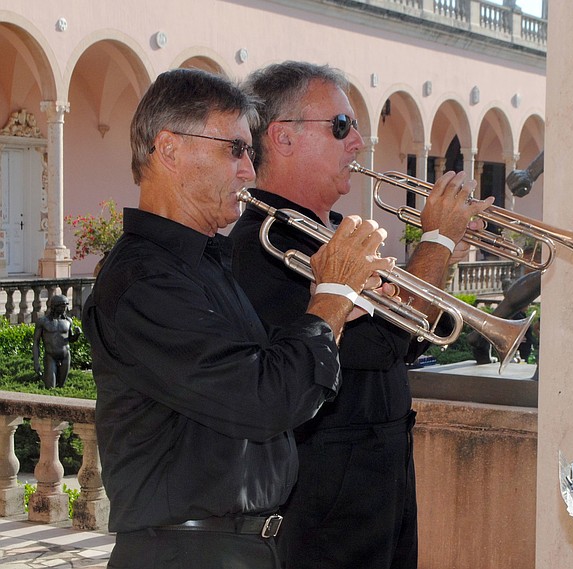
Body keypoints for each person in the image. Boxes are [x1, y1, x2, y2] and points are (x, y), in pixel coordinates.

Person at [82, 68, 393, 569]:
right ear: (169, 149)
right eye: (234, 150)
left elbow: (267, 372)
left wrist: (339, 310)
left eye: (249, 151)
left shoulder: (205, 265)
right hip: (186, 553)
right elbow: (267, 400)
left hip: (242, 548)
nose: (249, 170)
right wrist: (331, 297)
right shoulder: (144, 282)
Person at [229, 61, 492, 569]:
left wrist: (436, 261)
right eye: (341, 126)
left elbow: (412, 342)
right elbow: (379, 346)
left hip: (380, 490)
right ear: (282, 138)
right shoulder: (268, 243)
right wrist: (434, 241)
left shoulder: (329, 233)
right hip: (328, 513)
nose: (358, 143)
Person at [32, 294, 81, 388]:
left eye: (66, 306)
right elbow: (36, 343)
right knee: (50, 387)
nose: (65, 309)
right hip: (50, 356)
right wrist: (36, 362)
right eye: (62, 306)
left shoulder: (68, 321)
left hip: (66, 356)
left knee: (61, 386)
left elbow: (70, 339)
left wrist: (77, 335)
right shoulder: (43, 322)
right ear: (54, 306)